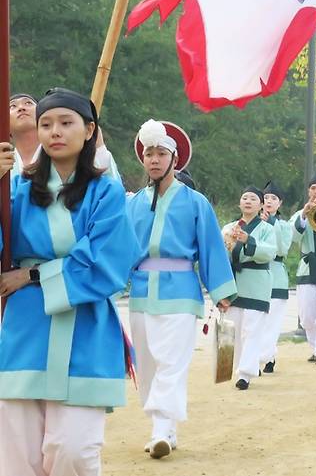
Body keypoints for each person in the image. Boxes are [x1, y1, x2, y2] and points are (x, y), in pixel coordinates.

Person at [0, 88, 139, 476]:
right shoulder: (15, 189)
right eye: (46, 124)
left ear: (89, 129)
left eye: (66, 123)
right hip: (26, 329)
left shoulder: (107, 191)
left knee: (73, 451)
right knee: (17, 457)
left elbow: (108, 260)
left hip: (87, 327)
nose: (54, 132)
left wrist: (32, 274)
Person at [126, 119, 237, 458]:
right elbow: (121, 251)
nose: (155, 159)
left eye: (161, 153)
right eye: (149, 153)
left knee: (171, 362)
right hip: (141, 292)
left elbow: (210, 248)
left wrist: (221, 293)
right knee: (146, 366)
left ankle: (160, 430)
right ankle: (166, 428)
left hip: (181, 292)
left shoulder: (196, 202)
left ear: (175, 158)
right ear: (143, 160)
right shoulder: (132, 204)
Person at [223, 186, 277, 390]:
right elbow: (220, 254)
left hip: (257, 282)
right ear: (239, 203)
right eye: (244, 197)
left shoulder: (267, 229)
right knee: (234, 329)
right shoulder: (228, 227)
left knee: (252, 329)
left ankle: (246, 373)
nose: (247, 201)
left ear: (261, 205)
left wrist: (248, 240)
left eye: (253, 198)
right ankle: (239, 368)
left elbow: (269, 253)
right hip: (234, 282)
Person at [7, 92, 121, 180]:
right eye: (12, 106)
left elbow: (109, 192)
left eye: (28, 103)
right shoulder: (4, 162)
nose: (21, 108)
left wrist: (100, 149)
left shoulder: (65, 156)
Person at [290, 172, 316, 365]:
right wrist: (305, 215)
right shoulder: (299, 215)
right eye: (313, 188)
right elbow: (293, 238)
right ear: (308, 191)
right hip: (306, 268)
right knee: (307, 317)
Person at [259, 181, 293, 373]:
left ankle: (266, 357)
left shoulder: (284, 225)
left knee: (272, 322)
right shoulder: (254, 222)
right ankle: (265, 356)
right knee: (257, 322)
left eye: (273, 198)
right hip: (257, 277)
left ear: (280, 203)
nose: (269, 201)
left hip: (276, 276)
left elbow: (282, 249)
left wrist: (271, 223)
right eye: (266, 198)